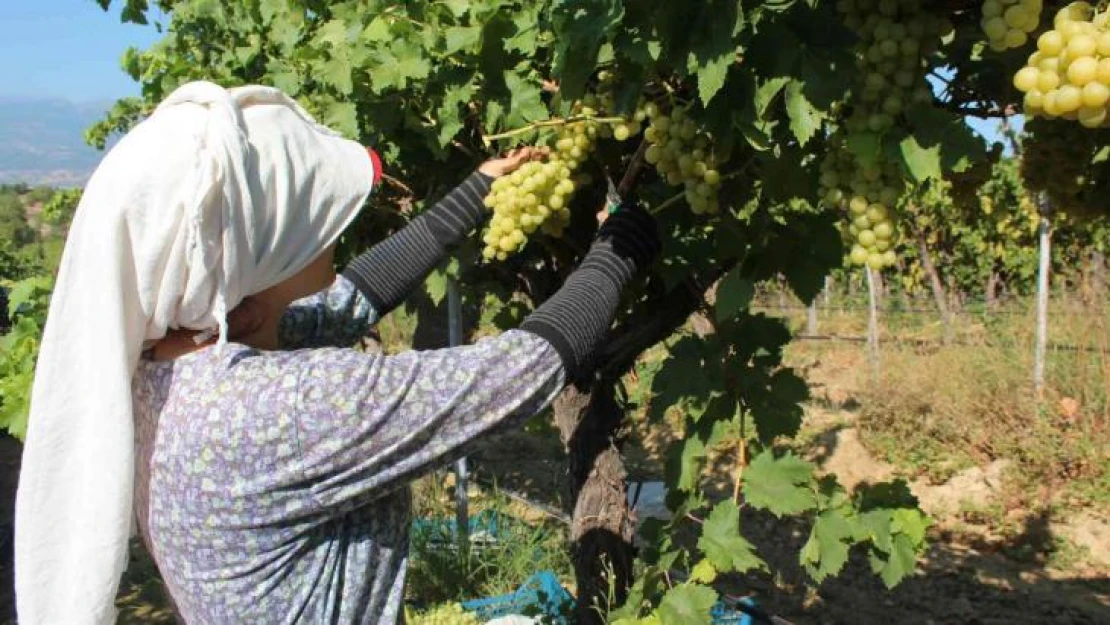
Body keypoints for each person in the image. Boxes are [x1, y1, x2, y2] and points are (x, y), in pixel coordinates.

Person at [13, 81, 658, 624]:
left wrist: (475, 193)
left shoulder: (177, 356)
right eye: (312, 218)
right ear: (253, 259)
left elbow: (352, 299)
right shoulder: (283, 410)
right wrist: (618, 248)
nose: (335, 227)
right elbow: (521, 371)